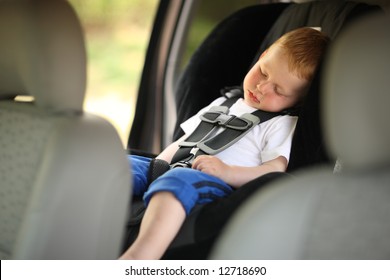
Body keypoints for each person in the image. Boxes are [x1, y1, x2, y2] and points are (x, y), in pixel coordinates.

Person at [120, 27, 330, 260]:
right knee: (120, 164)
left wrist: (227, 172)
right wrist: (157, 167)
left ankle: (139, 258)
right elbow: (183, 142)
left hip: (216, 184)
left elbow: (274, 170)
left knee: (178, 180)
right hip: (177, 167)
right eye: (263, 72)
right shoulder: (224, 102)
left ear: (298, 100)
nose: (262, 87)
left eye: (278, 90)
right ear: (263, 56)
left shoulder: (281, 124)